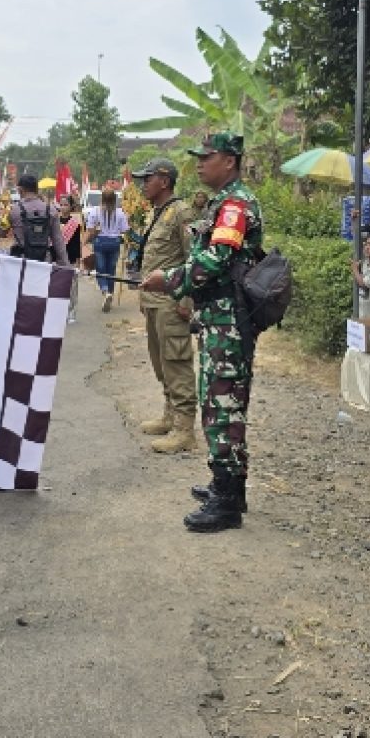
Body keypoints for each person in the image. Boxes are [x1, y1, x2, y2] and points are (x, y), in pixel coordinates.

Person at [141, 133, 263, 532]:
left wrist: (171, 281)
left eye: (206, 157)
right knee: (217, 400)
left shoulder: (235, 204)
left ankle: (227, 503)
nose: (198, 163)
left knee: (223, 405)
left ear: (228, 161)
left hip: (229, 320)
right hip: (218, 318)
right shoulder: (221, 202)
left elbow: (214, 260)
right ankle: (226, 485)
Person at [134, 158, 197, 454]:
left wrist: (186, 300)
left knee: (177, 362)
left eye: (147, 178)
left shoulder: (182, 213)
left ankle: (185, 431)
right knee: (161, 364)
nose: (143, 184)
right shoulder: (158, 213)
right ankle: (170, 416)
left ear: (164, 180)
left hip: (172, 303)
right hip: (154, 302)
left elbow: (193, 260)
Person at [9, 174, 70, 267]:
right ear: (37, 190)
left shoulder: (14, 211)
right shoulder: (51, 210)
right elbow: (58, 241)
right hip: (44, 262)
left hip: (20, 262)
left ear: (20, 190)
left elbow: (1, 233)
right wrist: (65, 265)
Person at [85, 187, 127, 312]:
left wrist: (86, 240)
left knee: (100, 269)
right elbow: (125, 230)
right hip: (114, 242)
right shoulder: (120, 213)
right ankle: (110, 294)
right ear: (115, 199)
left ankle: (105, 291)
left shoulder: (95, 211)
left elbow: (91, 231)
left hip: (100, 242)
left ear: (101, 198)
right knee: (111, 270)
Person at [58, 195, 82, 323]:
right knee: (58, 286)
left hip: (71, 258)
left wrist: (78, 261)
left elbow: (77, 243)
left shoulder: (75, 224)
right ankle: (59, 311)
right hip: (57, 258)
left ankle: (71, 312)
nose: (62, 207)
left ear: (71, 206)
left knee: (72, 287)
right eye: (61, 204)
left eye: (65, 205)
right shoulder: (54, 221)